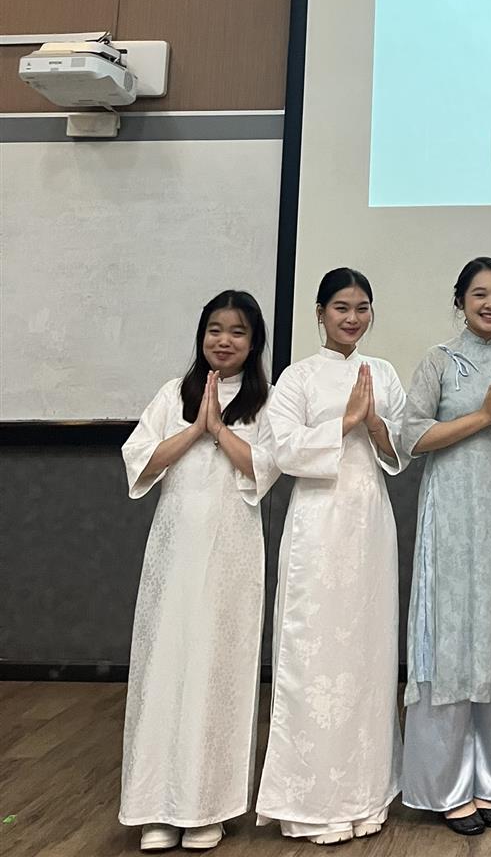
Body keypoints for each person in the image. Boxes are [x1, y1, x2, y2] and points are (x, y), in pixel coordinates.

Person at [120, 290, 275, 853]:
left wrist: (220, 431)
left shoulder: (265, 401)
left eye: (237, 332)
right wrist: (195, 428)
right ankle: (156, 806)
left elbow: (264, 468)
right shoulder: (173, 394)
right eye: (215, 329)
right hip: (175, 549)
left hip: (233, 550)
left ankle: (207, 807)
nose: (224, 341)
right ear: (201, 335)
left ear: (254, 342)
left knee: (218, 667)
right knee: (165, 666)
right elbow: (140, 459)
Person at [256, 268, 407, 846]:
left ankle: (366, 793)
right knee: (314, 652)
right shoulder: (296, 377)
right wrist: (344, 422)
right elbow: (282, 450)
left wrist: (373, 423)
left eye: (362, 307)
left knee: (368, 653)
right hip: (317, 525)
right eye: (341, 307)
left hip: (369, 521)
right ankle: (311, 801)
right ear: (319, 312)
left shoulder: (383, 372)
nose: (352, 317)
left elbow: (397, 452)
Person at [399, 258, 491, 837]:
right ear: (459, 300)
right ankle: (448, 788)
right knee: (451, 636)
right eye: (479, 294)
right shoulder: (437, 360)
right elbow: (413, 436)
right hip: (450, 516)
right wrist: (483, 417)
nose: (490, 304)